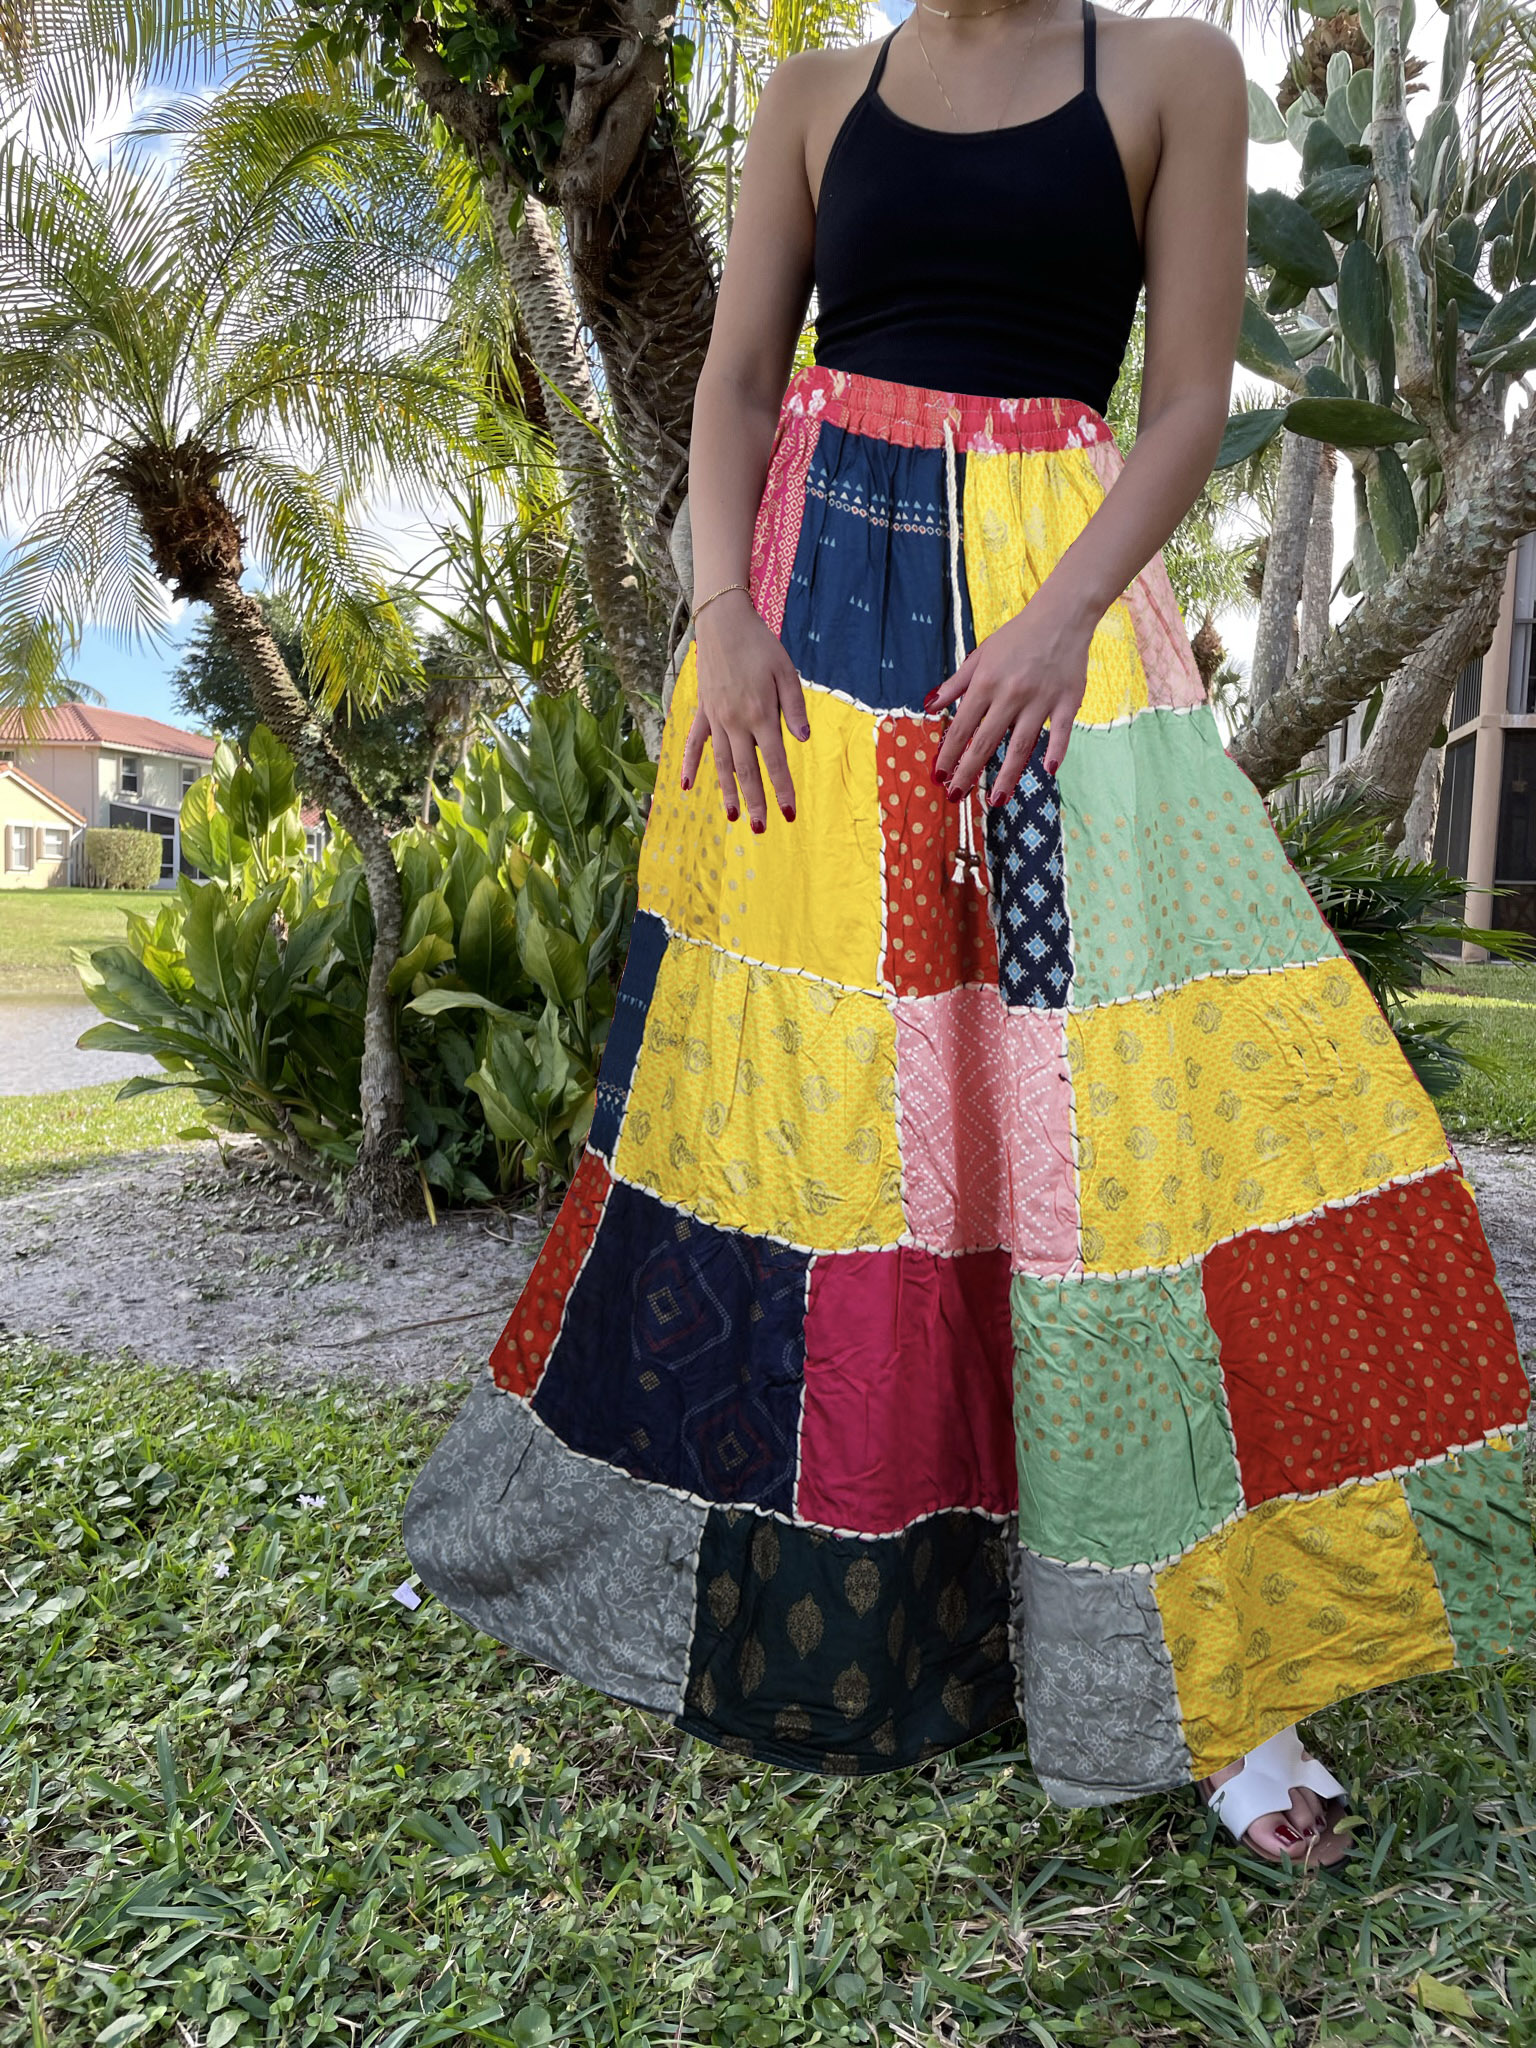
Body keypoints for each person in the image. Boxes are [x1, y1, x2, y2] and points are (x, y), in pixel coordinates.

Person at [406, 0, 1535, 1874]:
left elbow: (1187, 404)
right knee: (844, 1139)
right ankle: (864, 1579)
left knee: (1107, 1124)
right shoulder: (813, 97)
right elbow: (740, 382)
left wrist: (1065, 617)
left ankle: (1212, 1680)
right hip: (808, 646)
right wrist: (719, 615)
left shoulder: (1170, 73)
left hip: (1050, 642)